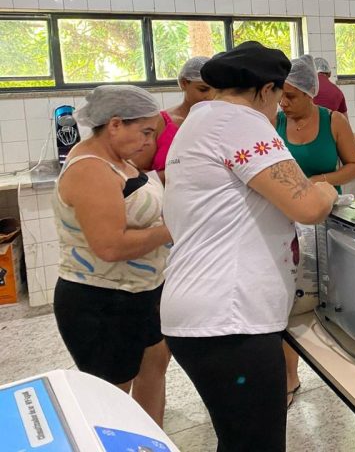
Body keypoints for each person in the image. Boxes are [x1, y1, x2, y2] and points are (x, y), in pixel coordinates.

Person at [161, 41, 338, 452]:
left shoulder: (200, 120)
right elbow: (308, 205)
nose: (278, 108)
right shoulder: (241, 123)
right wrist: (326, 190)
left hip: (201, 311)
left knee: (239, 439)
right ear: (265, 90)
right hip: (230, 320)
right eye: (279, 96)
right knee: (257, 444)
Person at [52, 85, 172, 426]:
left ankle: (150, 442)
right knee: (112, 397)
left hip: (142, 291)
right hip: (102, 301)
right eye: (145, 132)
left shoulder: (118, 160)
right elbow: (110, 246)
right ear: (115, 124)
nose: (149, 142)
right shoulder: (90, 169)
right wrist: (174, 228)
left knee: (154, 369)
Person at [276, 54, 355, 407]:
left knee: (335, 293)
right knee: (290, 301)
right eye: (281, 95)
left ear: (310, 93)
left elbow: (354, 167)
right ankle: (290, 376)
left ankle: (346, 367)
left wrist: (317, 180)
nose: (284, 103)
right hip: (285, 220)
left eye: (291, 96)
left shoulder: (333, 121)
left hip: (327, 217)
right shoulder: (274, 122)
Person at [131, 56, 214, 181]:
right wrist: (177, 174)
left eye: (217, 90)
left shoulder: (219, 122)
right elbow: (136, 172)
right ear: (184, 83)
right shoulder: (160, 122)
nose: (210, 96)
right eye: (203, 89)